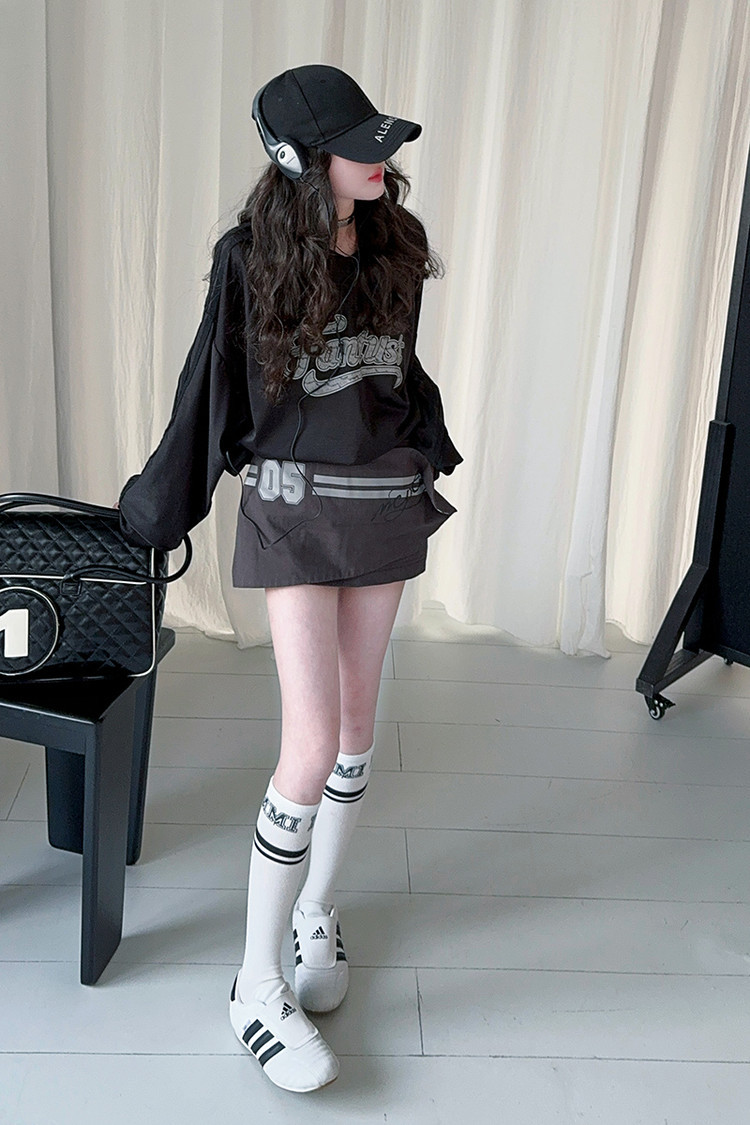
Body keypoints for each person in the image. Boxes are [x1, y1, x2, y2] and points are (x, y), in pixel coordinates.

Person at [117, 63, 462, 1094]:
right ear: (302, 160)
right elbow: (208, 386)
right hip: (294, 508)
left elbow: (397, 375)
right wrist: (153, 511)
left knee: (355, 734)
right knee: (308, 745)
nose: (379, 160)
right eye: (357, 146)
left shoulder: (396, 245)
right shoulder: (249, 259)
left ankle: (317, 907)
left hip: (382, 504)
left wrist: (424, 450)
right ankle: (255, 982)